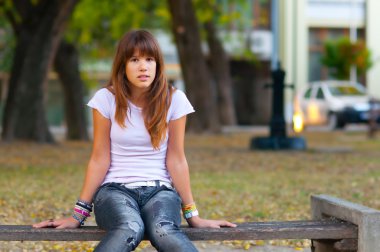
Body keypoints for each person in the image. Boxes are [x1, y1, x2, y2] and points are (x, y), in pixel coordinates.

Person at [33, 30, 236, 251]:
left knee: (164, 229)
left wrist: (193, 215)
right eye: (135, 60)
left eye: (150, 59)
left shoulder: (174, 100)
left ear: (158, 64)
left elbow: (176, 160)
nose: (143, 67)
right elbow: (99, 158)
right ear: (123, 65)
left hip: (160, 192)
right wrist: (77, 215)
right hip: (113, 191)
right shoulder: (106, 99)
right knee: (130, 227)